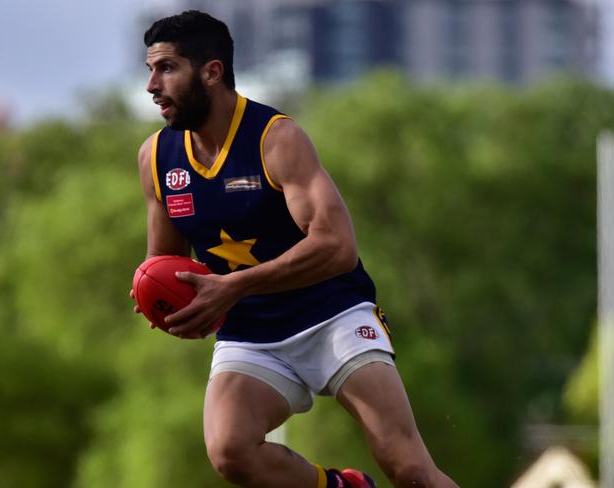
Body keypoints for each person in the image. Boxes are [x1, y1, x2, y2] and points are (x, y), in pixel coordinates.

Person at [132, 10, 458, 488]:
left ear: (212, 71)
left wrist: (232, 286)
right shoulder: (156, 157)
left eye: (166, 69)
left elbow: (338, 247)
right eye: (149, 71)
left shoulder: (276, 138)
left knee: (410, 469)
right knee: (230, 451)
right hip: (250, 332)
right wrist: (167, 304)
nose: (152, 85)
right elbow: (164, 266)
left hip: (333, 316)